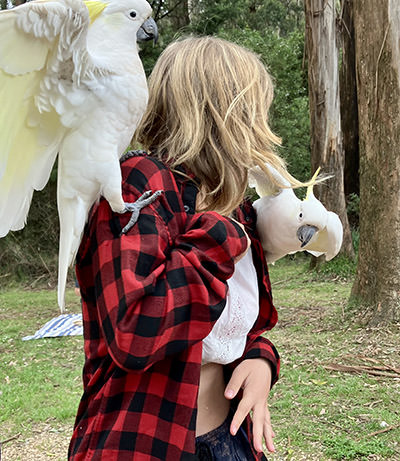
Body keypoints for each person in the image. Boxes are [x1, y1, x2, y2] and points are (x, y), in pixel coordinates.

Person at [68, 36, 303, 460]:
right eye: (255, 111)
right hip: (147, 443)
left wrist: (261, 360)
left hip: (231, 441)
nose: (263, 127)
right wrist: (222, 231)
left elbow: (236, 327)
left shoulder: (234, 206)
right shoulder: (137, 184)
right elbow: (134, 332)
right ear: (226, 114)